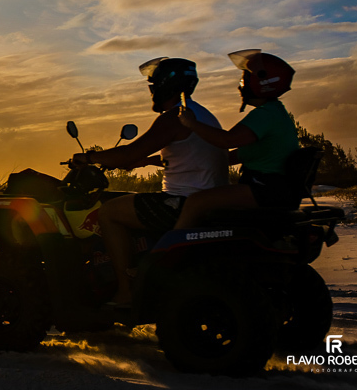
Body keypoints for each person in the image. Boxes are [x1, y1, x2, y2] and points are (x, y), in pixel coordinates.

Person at [70, 57, 228, 307]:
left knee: (108, 212)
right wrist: (147, 162)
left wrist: (88, 158)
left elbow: (131, 152)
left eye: (152, 85)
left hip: (180, 202)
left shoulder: (173, 117)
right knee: (125, 202)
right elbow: (189, 155)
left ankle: (126, 292)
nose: (151, 91)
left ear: (164, 86)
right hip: (205, 199)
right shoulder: (200, 114)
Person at [173, 50, 300, 228]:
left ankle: (171, 250)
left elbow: (226, 141)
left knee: (195, 202)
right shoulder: (275, 113)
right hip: (272, 188)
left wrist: (191, 123)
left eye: (245, 78)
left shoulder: (265, 115)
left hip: (265, 189)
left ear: (263, 81)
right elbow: (242, 153)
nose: (241, 85)